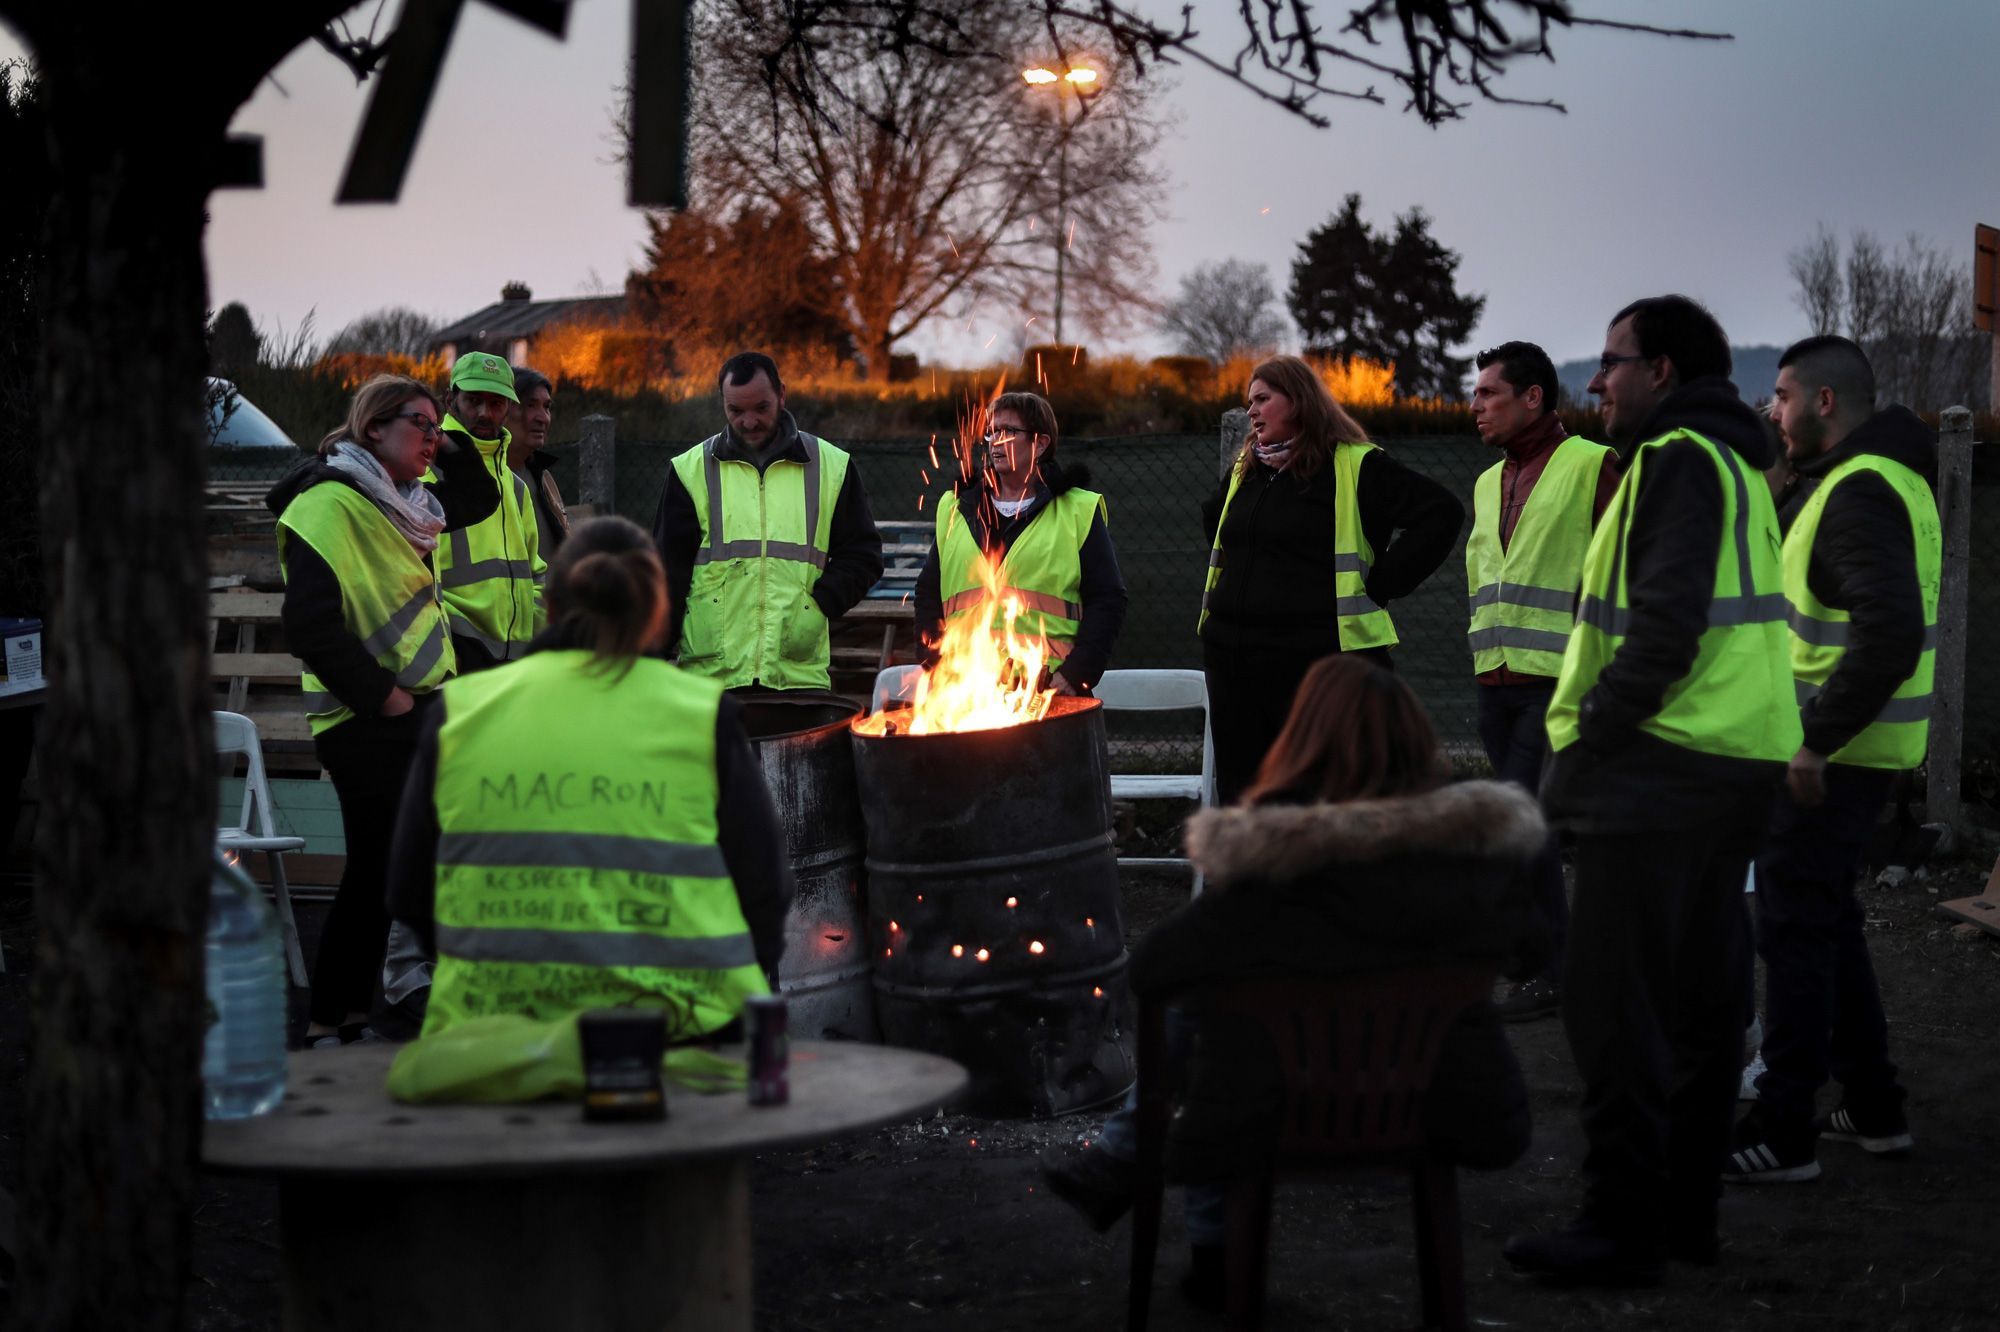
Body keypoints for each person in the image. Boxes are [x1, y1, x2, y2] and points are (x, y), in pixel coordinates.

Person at [1041, 655, 1542, 1309]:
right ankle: (1129, 1157)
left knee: (1206, 1014)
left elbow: (1154, 969)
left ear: (1302, 741)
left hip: (1278, 1111)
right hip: (1440, 1105)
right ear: (1420, 743)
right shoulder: (1476, 865)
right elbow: (1530, 943)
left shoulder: (1263, 874)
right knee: (1219, 1014)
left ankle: (1181, 1216)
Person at [1504, 296, 1801, 1285]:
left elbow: (1663, 626)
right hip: (1733, 764)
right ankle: (1682, 1218)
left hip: (1658, 768)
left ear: (1661, 371)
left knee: (1609, 1005)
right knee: (1703, 1000)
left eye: (1611, 360)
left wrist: (1589, 737)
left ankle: (1620, 1227)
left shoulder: (1676, 461)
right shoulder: (1738, 465)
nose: (1596, 381)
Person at [384, 515, 794, 1041]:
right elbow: (764, 888)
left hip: (497, 1038)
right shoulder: (702, 715)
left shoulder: (461, 714)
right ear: (655, 616)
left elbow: (409, 891)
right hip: (677, 1038)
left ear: (550, 606)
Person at [1722, 336, 1936, 1183]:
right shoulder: (1890, 480)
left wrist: (1813, 741)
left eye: (1780, 396)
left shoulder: (1855, 494)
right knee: (1827, 918)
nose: (1770, 413)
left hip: (1831, 751)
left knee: (1794, 928)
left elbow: (1887, 633)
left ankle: (1785, 1129)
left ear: (1822, 403)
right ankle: (1874, 1107)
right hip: (1863, 745)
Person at [265, 373, 499, 1047]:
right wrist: (388, 699)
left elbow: (478, 496)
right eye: (419, 426)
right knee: (388, 871)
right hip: (367, 720)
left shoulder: (405, 502)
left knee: (378, 874)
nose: (433, 439)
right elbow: (309, 627)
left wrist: (443, 431)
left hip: (407, 714)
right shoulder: (331, 504)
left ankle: (342, 1019)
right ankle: (335, 1018)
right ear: (374, 428)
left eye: (435, 427)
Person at [1198, 354, 1462, 804]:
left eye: (1263, 399)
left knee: (1315, 796)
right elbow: (1218, 525)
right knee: (1245, 799)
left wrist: (1382, 584)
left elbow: (1441, 513)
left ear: (1298, 401)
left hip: (1314, 666)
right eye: (1249, 403)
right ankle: (1249, 874)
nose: (1252, 411)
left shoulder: (1356, 466)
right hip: (1233, 664)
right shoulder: (1248, 470)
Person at [1465, 341, 1620, 1022]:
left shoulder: (1594, 465)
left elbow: (1624, 572)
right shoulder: (1485, 480)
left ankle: (1550, 965)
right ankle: (1539, 962)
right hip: (1495, 681)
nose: (1476, 407)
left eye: (1489, 394)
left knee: (1521, 821)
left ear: (1534, 397)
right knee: (1524, 824)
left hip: (1559, 681)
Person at [652, 352, 884, 692]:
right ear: (723, 404)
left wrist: (818, 605)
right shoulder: (689, 471)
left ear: (782, 395)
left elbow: (864, 555)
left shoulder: (832, 466)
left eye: (761, 408)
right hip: (710, 681)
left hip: (797, 679)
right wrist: (651, 657)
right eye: (736, 411)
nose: (748, 422)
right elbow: (664, 575)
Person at [914, 391, 1128, 691]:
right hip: (964, 692)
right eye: (991, 432)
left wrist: (1074, 675)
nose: (996, 441)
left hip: (1045, 691)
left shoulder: (1078, 509)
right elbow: (928, 592)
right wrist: (932, 659)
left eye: (1009, 431)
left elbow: (1108, 598)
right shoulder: (955, 506)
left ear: (1040, 444)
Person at [434, 352, 545, 671]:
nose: (485, 413)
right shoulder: (423, 476)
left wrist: (534, 644)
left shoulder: (516, 487)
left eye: (496, 403)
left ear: (509, 407)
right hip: (452, 661)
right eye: (473, 400)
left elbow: (537, 574)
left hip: (515, 662)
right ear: (449, 399)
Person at [506, 365, 570, 564]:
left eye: (547, 407)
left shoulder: (542, 477)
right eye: (530, 405)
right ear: (501, 409)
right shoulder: (484, 479)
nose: (542, 418)